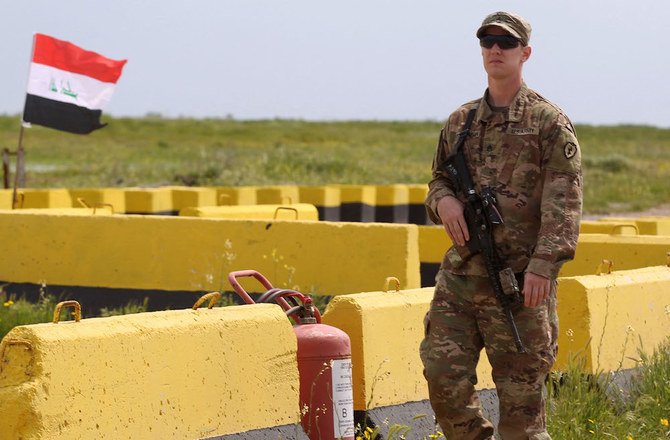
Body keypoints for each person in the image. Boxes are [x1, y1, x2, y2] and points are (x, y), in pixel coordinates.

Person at [419, 11, 582, 440]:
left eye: (506, 43)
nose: (495, 49)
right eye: (487, 41)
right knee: (442, 381)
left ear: (524, 53)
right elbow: (438, 180)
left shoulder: (548, 122)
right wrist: (445, 202)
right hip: (461, 277)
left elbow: (564, 200)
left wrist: (544, 264)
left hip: (519, 283)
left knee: (521, 409)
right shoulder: (461, 121)